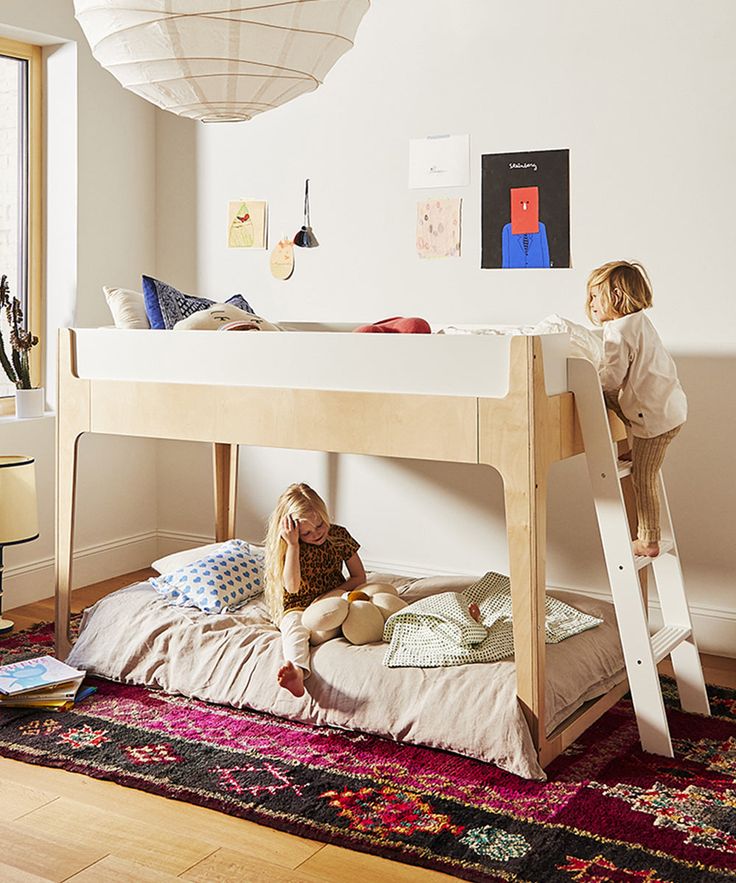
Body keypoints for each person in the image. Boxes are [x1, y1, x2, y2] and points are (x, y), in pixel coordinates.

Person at [585, 260, 687, 559]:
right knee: (616, 402)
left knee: (643, 478)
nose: (590, 303)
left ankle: (648, 540)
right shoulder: (638, 321)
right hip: (666, 407)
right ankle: (636, 448)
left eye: (595, 296)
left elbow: (612, 378)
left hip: (654, 419)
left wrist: (590, 375)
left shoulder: (617, 331)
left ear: (616, 296)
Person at [264, 482, 366, 696]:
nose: (316, 534)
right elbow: (291, 588)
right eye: (306, 532)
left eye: (320, 525)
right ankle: (298, 672)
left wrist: (333, 594)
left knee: (362, 606)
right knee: (295, 629)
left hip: (334, 601)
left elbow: (359, 576)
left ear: (324, 514)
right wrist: (293, 545)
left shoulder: (339, 536)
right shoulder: (290, 546)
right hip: (299, 608)